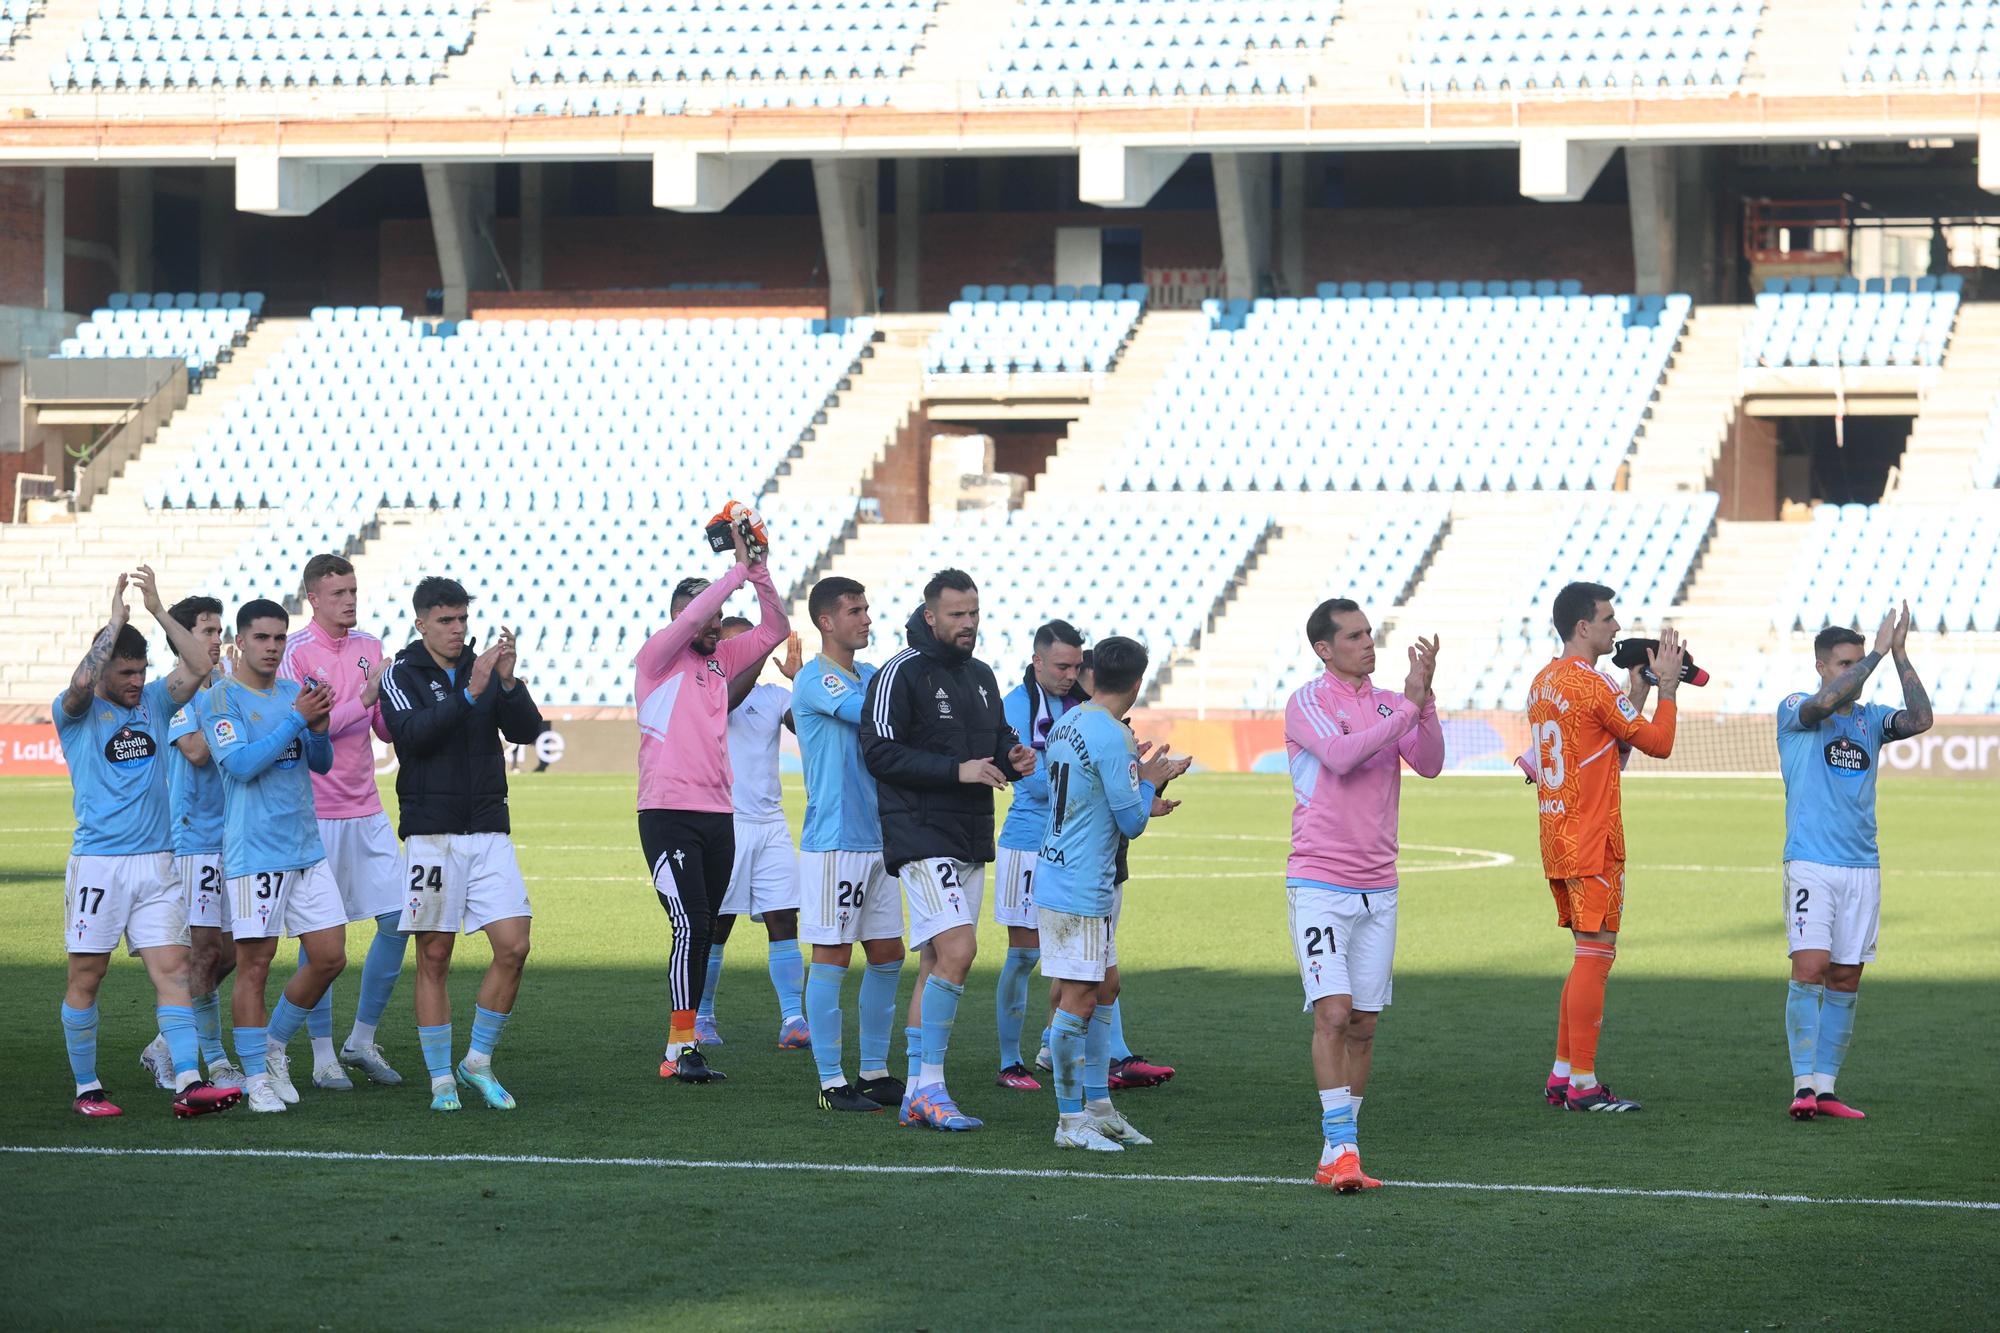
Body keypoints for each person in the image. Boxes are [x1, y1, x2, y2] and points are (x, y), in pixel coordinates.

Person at [56, 569, 241, 1119]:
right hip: (98, 867)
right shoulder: (79, 715)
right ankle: (87, 1088)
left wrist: (159, 610)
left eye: (141, 671)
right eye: (127, 672)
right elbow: (81, 686)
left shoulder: (156, 703)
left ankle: (188, 1081)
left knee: (175, 970)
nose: (137, 681)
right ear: (106, 667)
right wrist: (115, 623)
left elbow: (202, 665)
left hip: (157, 864)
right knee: (88, 976)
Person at [860, 568, 1035, 1132]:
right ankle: (933, 1085)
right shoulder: (899, 673)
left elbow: (996, 737)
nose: (968, 624)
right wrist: (956, 770)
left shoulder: (982, 676)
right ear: (930, 615)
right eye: (957, 614)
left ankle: (916, 1092)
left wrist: (1014, 755)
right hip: (918, 833)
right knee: (960, 951)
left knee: (937, 960)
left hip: (967, 835)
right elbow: (878, 753)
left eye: (975, 613)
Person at [1283, 599, 1443, 1192]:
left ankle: (1337, 1151)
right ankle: (1343, 1148)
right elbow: (1343, 757)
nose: (1367, 644)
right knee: (1333, 1012)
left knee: (1366, 1024)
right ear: (1325, 649)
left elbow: (1429, 763)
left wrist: (1422, 705)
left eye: (1369, 634)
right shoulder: (1308, 702)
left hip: (1380, 883)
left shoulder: (1389, 704)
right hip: (1322, 880)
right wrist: (1408, 710)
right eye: (1353, 636)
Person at [379, 577, 544, 1113]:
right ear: (421, 622)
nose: (456, 630)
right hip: (431, 836)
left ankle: (475, 1061)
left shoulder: (485, 670)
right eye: (445, 620)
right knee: (435, 954)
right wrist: (470, 692)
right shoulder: (401, 674)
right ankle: (439, 1080)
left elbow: (526, 731)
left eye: (462, 620)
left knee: (514, 946)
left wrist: (509, 681)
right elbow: (413, 736)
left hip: (489, 830)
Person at [635, 522, 789, 1084]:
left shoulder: (720, 662)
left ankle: (688, 1041)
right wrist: (734, 570)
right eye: (700, 618)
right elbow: (696, 618)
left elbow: (777, 628)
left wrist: (759, 571)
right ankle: (678, 1046)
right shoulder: (654, 659)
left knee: (702, 927)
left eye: (715, 621)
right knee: (689, 924)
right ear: (682, 619)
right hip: (666, 811)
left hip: (718, 814)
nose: (710, 626)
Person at [1526, 582, 1682, 1114]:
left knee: (1584, 955)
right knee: (1597, 955)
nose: (1617, 628)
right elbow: (1656, 745)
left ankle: (1563, 1073)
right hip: (1594, 836)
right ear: (1582, 627)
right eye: (1609, 619)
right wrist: (1667, 689)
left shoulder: (1543, 682)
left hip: (1558, 832)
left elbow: (1604, 751)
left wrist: (1632, 694)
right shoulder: (1593, 686)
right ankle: (1584, 1085)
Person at [1777, 605, 1931, 1122]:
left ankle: (1825, 1089)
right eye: (1844, 663)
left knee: (1845, 977)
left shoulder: (1871, 720)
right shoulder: (1796, 708)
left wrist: (1901, 656)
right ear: (1822, 666)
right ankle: (1801, 1085)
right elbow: (1825, 704)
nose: (1854, 671)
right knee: (1811, 967)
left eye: (1858, 661)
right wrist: (1879, 656)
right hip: (1811, 862)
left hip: (1862, 865)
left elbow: (1921, 719)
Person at [1037, 637, 1189, 1153]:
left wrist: (1141, 788)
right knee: (1079, 997)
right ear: (1139, 683)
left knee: (1106, 986)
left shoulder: (1070, 720)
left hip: (1065, 872)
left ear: (1092, 674)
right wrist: (1150, 781)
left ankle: (1099, 1106)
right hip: (1078, 883)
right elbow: (1131, 821)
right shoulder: (1113, 736)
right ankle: (1068, 1119)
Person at [201, 597, 346, 1114]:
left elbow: (321, 762)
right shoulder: (221, 700)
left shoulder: (294, 693)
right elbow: (239, 765)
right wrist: (295, 720)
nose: (271, 647)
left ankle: (273, 1046)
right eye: (261, 637)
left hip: (305, 848)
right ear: (240, 641)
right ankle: (257, 1078)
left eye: (280, 638)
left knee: (330, 957)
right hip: (255, 853)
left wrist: (320, 725)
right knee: (255, 966)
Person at [277, 552, 407, 1089]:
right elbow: (315, 731)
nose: (349, 600)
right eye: (338, 593)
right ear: (314, 598)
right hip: (317, 814)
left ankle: (361, 1039)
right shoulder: (295, 654)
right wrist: (367, 695)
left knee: (400, 918)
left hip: (368, 808)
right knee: (321, 940)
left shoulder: (369, 647)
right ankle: (323, 1054)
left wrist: (394, 699)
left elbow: (382, 731)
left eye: (353, 590)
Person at [793, 577, 907, 1113]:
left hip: (878, 836)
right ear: (826, 622)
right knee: (833, 955)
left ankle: (876, 1071)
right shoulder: (818, 680)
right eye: (855, 610)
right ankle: (831, 1082)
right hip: (835, 838)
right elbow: (877, 717)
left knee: (887, 953)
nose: (865, 619)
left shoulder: (866, 675)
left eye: (867, 609)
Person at [139, 594, 241, 1092]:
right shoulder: (178, 694)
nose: (216, 640)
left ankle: (165, 1042)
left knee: (233, 951)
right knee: (203, 953)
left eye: (219, 631)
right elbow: (198, 752)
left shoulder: (226, 686)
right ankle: (209, 1056)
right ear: (183, 638)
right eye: (207, 631)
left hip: (234, 838)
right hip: (195, 841)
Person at [702, 620, 808, 1048]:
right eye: (738, 646)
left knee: (784, 917)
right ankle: (704, 1015)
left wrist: (801, 682)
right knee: (717, 925)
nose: (744, 653)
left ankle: (793, 1020)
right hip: (726, 825)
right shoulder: (709, 694)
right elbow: (726, 701)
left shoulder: (774, 697)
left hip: (771, 826)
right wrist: (761, 651)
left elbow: (806, 725)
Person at [991, 619, 1087, 1091]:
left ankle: (1052, 1042)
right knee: (1025, 955)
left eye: (1076, 666)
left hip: (1074, 846)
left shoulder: (1080, 704)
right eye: (1062, 665)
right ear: (1037, 661)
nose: (1070, 674)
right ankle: (1010, 1060)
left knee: (1075, 952)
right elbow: (1030, 781)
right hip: (1027, 844)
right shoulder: (1014, 705)